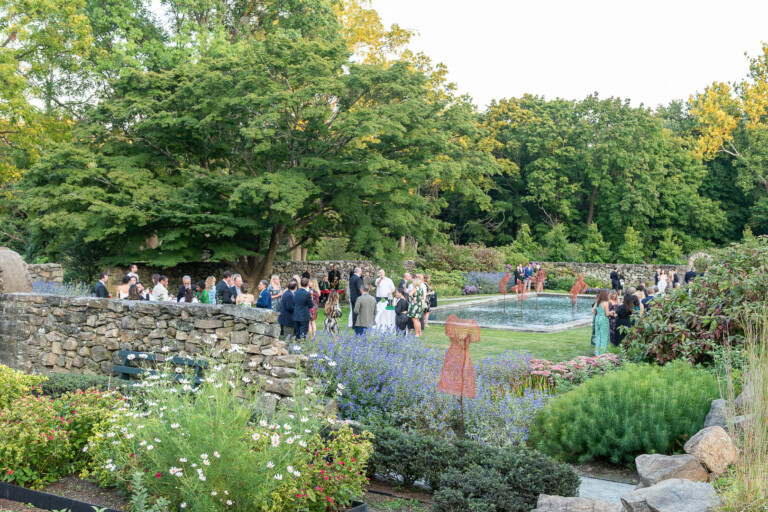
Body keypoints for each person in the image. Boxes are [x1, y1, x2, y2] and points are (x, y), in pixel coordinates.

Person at [592, 289, 613, 355]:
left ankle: (597, 352)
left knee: (598, 335)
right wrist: (611, 312)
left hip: (597, 319)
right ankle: (603, 352)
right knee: (604, 335)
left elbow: (593, 311)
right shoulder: (605, 303)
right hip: (603, 319)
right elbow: (607, 314)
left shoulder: (597, 302)